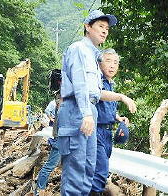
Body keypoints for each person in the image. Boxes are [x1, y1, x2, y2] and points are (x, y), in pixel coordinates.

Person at [58, 9, 136, 196]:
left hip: (88, 110)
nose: (104, 31)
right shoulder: (79, 49)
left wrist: (121, 98)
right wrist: (86, 113)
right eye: (100, 26)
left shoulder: (93, 56)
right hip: (77, 110)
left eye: (107, 28)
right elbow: (80, 84)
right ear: (87, 27)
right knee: (76, 172)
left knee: (88, 170)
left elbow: (96, 92)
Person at [91, 49, 129, 195]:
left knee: (101, 172)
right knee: (100, 172)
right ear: (99, 63)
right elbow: (98, 95)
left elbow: (108, 107)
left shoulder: (110, 84)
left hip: (107, 133)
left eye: (115, 62)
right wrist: (121, 97)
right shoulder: (96, 81)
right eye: (108, 61)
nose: (112, 65)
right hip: (96, 131)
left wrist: (118, 118)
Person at [35, 95, 62, 196]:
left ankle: (39, 189)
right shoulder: (60, 109)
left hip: (62, 139)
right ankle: (39, 190)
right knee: (50, 166)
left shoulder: (60, 107)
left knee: (51, 166)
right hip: (60, 139)